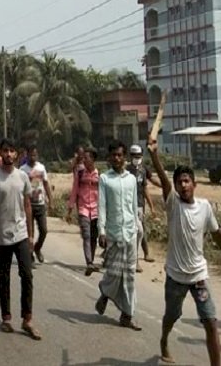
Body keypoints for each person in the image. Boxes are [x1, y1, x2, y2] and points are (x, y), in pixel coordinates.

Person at [147, 138, 221, 365]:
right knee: (172, 315)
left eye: (187, 181)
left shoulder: (205, 207)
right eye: (179, 182)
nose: (184, 185)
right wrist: (154, 156)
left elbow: (217, 235)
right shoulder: (173, 204)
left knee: (210, 322)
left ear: (194, 184)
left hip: (198, 277)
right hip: (176, 277)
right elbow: (162, 179)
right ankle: (164, 339)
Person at [0, 138, 41, 339]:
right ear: (0, 154)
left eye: (11, 151)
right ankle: (6, 317)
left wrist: (30, 234)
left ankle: (27, 319)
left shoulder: (22, 177)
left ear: (17, 154)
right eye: (5, 151)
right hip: (2, 235)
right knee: (4, 277)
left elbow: (27, 205)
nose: (8, 154)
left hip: (21, 234)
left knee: (27, 275)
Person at [95, 141, 141, 331]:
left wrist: (138, 227)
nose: (117, 158)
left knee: (129, 276)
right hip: (113, 234)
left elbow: (133, 205)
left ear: (124, 157)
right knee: (114, 273)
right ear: (109, 158)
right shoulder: (105, 179)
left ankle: (127, 315)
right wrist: (102, 231)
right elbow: (102, 207)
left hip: (130, 233)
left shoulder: (131, 179)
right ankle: (105, 291)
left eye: (120, 155)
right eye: (113, 155)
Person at [67, 147, 101, 275]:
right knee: (86, 235)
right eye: (83, 158)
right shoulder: (80, 173)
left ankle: (91, 261)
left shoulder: (100, 175)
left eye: (86, 158)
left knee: (93, 237)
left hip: (96, 209)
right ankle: (89, 262)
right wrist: (70, 209)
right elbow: (74, 190)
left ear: (93, 160)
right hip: (83, 208)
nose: (84, 160)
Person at [126, 144, 157, 272]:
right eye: (134, 156)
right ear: (130, 156)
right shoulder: (126, 171)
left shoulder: (142, 171)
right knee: (138, 231)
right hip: (128, 206)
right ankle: (135, 260)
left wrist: (151, 206)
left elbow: (145, 188)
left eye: (139, 156)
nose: (137, 158)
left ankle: (135, 257)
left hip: (139, 206)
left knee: (139, 231)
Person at [20, 146, 53, 265]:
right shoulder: (22, 170)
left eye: (35, 155)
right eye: (31, 155)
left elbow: (46, 184)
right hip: (28, 204)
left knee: (44, 230)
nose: (33, 157)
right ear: (27, 155)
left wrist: (51, 200)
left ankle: (37, 248)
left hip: (40, 203)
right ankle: (30, 256)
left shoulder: (41, 168)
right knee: (30, 233)